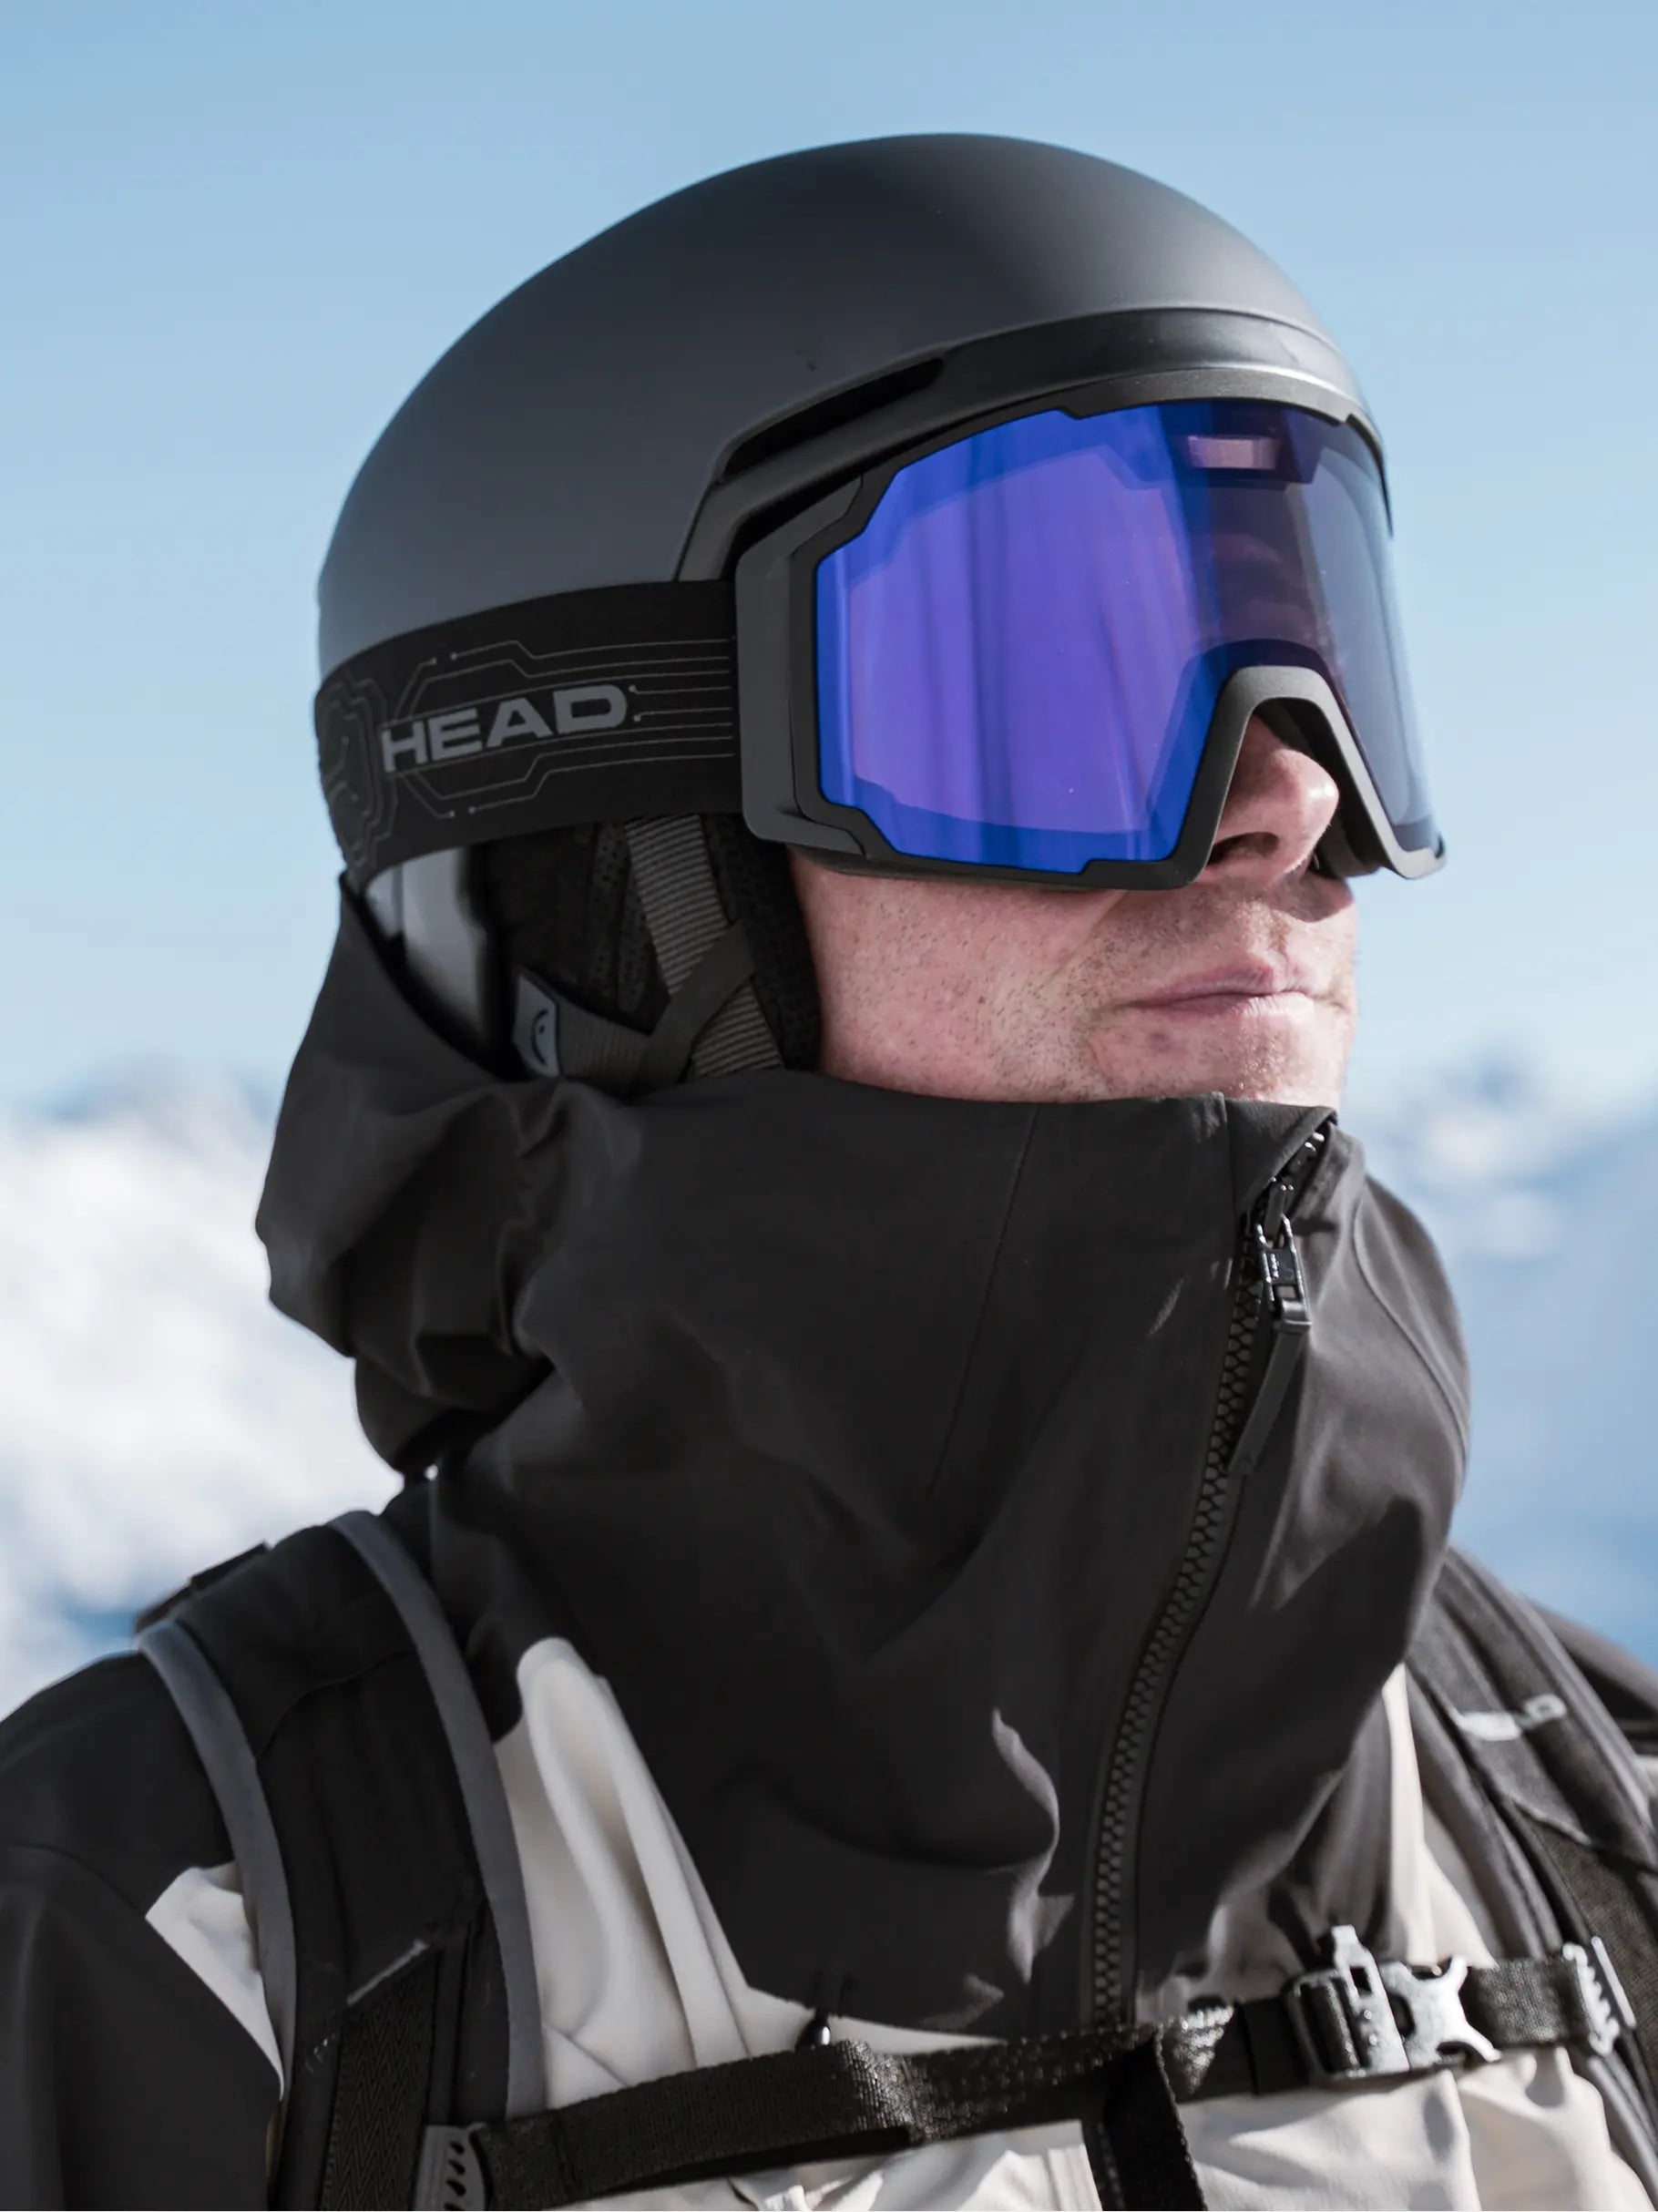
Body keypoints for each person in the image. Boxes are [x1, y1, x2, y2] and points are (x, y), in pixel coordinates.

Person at [5, 134, 1658, 2212]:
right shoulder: (174, 1944)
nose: (1288, 796)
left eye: (1326, 664)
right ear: (627, 889)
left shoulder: (1585, 1814)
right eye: (1047, 691)